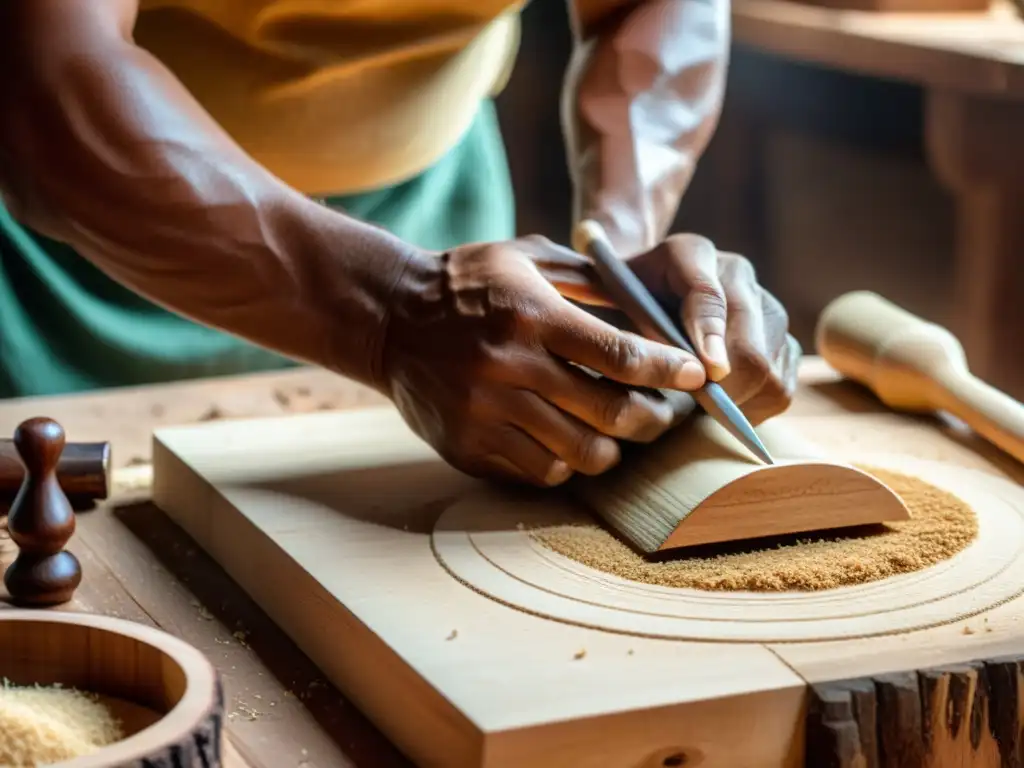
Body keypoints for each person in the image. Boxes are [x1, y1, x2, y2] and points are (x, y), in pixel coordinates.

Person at [0, 0, 800, 487]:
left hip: (433, 216)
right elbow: (47, 83)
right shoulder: (409, 306)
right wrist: (387, 310)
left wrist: (611, 265)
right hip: (91, 219)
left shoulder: (451, 303)